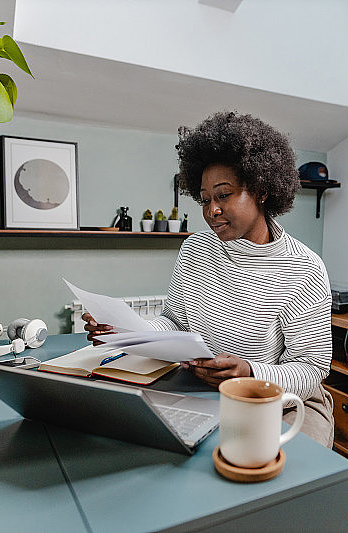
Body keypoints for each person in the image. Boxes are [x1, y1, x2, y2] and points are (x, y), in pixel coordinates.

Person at [83, 111, 334, 447]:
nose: (211, 210)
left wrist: (249, 372)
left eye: (223, 195)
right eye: (205, 199)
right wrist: (126, 332)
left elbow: (311, 369)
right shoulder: (195, 250)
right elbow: (173, 321)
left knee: (287, 476)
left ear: (260, 190)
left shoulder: (304, 268)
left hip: (280, 398)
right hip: (203, 388)